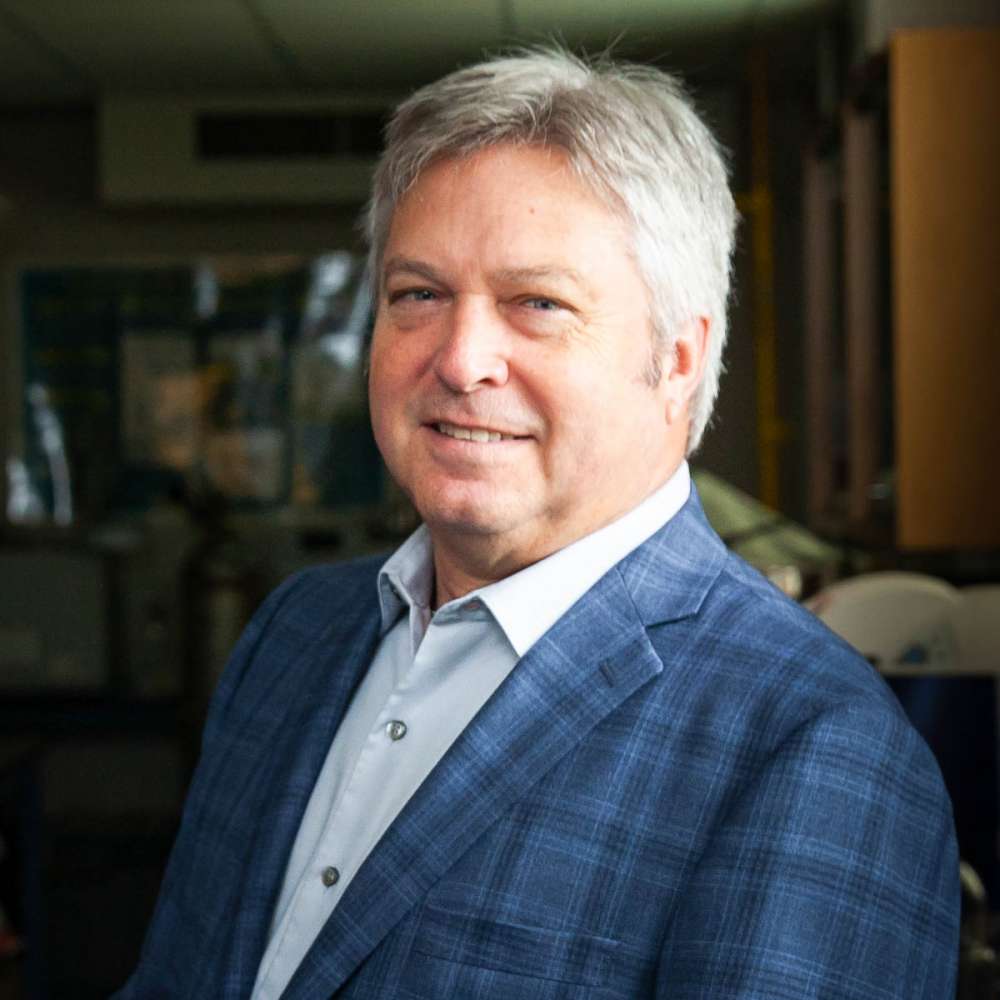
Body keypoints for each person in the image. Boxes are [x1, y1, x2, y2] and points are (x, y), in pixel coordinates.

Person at [116, 48, 958, 999]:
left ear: (678, 360)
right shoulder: (295, 633)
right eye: (419, 294)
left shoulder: (816, 746)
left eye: (538, 304)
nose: (461, 359)